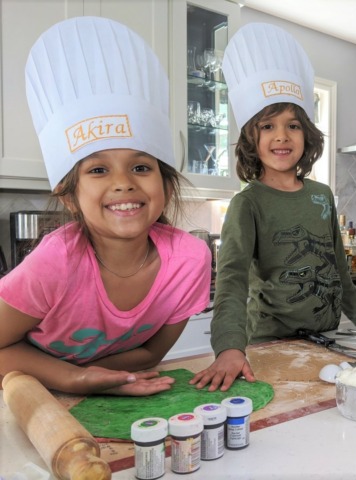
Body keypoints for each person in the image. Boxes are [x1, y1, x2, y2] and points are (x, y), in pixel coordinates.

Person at [0, 17, 211, 396]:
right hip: (29, 399)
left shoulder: (190, 260)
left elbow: (149, 354)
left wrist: (103, 379)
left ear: (165, 183)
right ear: (70, 195)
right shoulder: (56, 262)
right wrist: (74, 378)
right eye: (98, 169)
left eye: (141, 166)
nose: (123, 181)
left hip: (120, 393)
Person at [191, 23, 356, 392]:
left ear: (307, 135)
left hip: (329, 337)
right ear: (252, 137)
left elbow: (338, 267)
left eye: (293, 125)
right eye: (267, 126)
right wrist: (230, 346)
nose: (281, 135)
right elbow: (231, 281)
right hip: (270, 343)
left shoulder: (322, 194)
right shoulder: (247, 203)